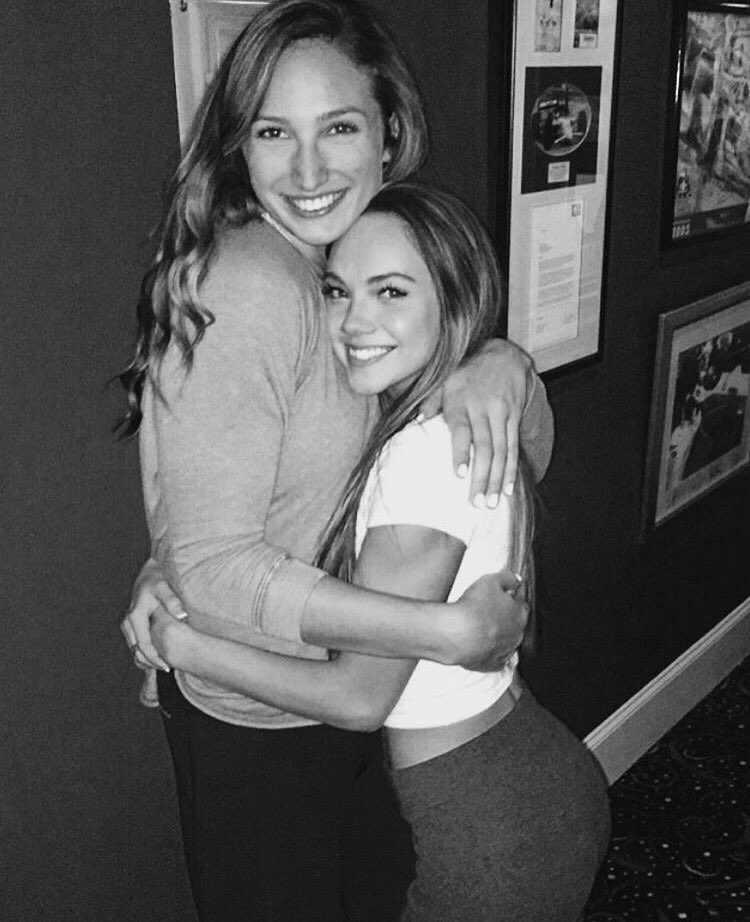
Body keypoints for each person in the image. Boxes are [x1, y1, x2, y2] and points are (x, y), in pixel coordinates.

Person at [119, 1, 555, 919]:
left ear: (391, 131)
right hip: (264, 720)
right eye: (273, 131)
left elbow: (518, 458)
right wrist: (441, 632)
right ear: (238, 144)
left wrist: (499, 361)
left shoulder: (353, 262)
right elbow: (214, 562)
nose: (309, 171)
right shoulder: (250, 283)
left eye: (340, 127)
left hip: (342, 694)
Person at [141, 182, 610, 921]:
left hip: (485, 820)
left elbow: (359, 698)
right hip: (521, 772)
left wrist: (184, 647)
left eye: (390, 291)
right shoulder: (456, 420)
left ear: (453, 303)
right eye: (337, 291)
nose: (355, 320)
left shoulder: (420, 458)